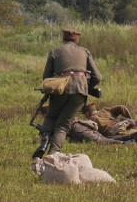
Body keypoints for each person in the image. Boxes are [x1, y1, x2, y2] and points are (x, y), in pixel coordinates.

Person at [33, 28, 102, 159]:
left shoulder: (54, 52)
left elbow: (46, 78)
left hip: (60, 89)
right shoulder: (85, 51)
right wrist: (86, 86)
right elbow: (97, 77)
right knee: (63, 126)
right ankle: (52, 155)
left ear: (63, 39)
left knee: (51, 116)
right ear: (77, 41)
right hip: (79, 91)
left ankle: (44, 142)